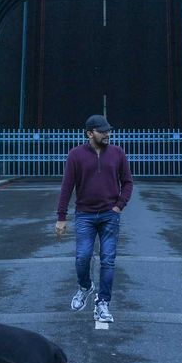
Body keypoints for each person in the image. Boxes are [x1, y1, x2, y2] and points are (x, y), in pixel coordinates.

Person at [55, 114, 134, 323]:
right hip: (85, 215)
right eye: (102, 131)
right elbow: (67, 187)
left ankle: (102, 303)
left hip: (110, 214)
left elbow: (127, 182)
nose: (107, 134)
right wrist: (61, 217)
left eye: (108, 130)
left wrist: (119, 206)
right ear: (90, 133)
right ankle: (85, 286)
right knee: (83, 257)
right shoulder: (76, 155)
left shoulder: (117, 153)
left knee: (108, 260)